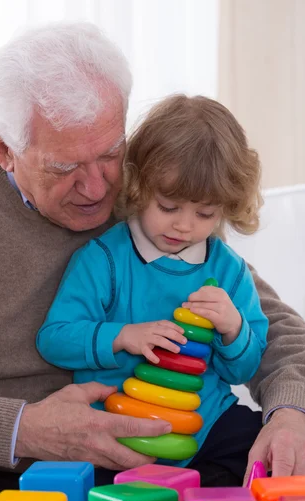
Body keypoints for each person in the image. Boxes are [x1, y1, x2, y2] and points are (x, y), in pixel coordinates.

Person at [0, 22, 305, 501]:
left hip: (136, 456)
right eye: (65, 168)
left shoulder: (152, 197)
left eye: (111, 153)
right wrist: (20, 428)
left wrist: (294, 416)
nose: (98, 188)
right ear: (2, 150)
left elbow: (274, 326)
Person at [36, 93, 270, 470]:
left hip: (204, 426)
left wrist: (233, 329)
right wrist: (123, 335)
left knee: (260, 447)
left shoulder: (230, 271)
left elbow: (242, 370)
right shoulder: (105, 258)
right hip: (117, 429)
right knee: (90, 486)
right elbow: (54, 338)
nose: (184, 225)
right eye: (168, 207)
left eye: (205, 213)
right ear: (138, 185)